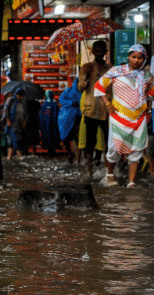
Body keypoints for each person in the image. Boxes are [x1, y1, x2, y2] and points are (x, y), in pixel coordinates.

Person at [95, 44, 154, 188]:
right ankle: (110, 173)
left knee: (136, 149)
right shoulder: (116, 71)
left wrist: (149, 109)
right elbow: (99, 86)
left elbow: (151, 92)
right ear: (128, 57)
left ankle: (131, 182)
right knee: (115, 148)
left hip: (139, 118)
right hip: (118, 116)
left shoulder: (147, 75)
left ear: (144, 59)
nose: (136, 60)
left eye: (140, 58)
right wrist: (107, 103)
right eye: (133, 57)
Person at [78, 40, 111, 179]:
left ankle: (109, 170)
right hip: (90, 109)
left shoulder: (111, 69)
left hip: (107, 110)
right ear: (92, 52)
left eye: (101, 50)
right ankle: (91, 171)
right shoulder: (86, 67)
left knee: (109, 141)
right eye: (95, 50)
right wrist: (86, 77)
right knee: (90, 141)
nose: (98, 53)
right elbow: (80, 88)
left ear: (105, 52)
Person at [58, 78, 82, 164]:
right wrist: (72, 103)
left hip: (78, 118)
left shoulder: (83, 93)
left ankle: (78, 159)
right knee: (65, 138)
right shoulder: (68, 91)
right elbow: (61, 100)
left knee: (79, 139)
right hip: (66, 119)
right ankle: (69, 155)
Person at [4, 88, 28, 159]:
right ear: (17, 94)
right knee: (15, 140)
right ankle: (20, 157)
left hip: (19, 125)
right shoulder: (11, 100)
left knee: (12, 142)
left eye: (22, 96)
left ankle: (9, 158)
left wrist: (24, 122)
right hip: (11, 124)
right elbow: (5, 109)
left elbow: (25, 113)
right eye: (20, 95)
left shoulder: (23, 102)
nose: (21, 97)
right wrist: (7, 119)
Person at [39, 90, 60, 158]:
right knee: (53, 140)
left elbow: (41, 117)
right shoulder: (55, 104)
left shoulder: (43, 105)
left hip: (45, 126)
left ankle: (49, 153)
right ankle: (52, 153)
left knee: (47, 139)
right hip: (54, 126)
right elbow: (58, 115)